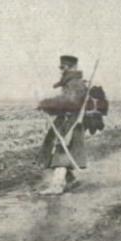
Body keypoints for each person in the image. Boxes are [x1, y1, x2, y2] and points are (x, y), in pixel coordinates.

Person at [36, 55, 89, 195]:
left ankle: (57, 186)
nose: (61, 70)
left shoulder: (75, 83)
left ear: (72, 67)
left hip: (70, 122)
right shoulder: (71, 82)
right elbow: (65, 103)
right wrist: (47, 106)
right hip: (66, 120)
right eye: (60, 67)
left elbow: (69, 102)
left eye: (63, 67)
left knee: (61, 150)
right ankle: (70, 180)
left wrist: (46, 103)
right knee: (59, 149)